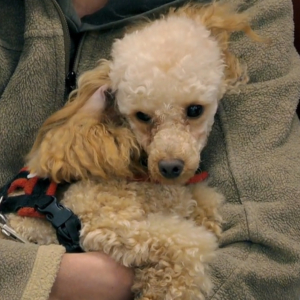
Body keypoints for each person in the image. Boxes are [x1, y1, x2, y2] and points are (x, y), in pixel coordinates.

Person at [0, 0, 299, 299]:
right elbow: (106, 231)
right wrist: (62, 277)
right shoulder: (101, 144)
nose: (169, 153)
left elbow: (277, 249)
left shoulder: (253, 11)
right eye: (144, 119)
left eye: (193, 112)